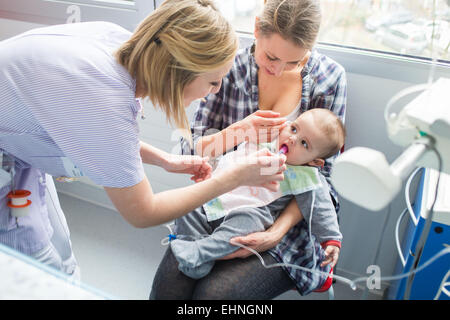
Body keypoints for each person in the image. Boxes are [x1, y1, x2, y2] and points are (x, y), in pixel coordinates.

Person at [0, 0, 286, 279]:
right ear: (178, 73)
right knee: (38, 268)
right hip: (7, 159)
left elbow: (96, 133)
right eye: (213, 81)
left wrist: (164, 160)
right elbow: (142, 212)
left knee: (61, 251)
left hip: (17, 148)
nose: (215, 91)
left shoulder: (124, 44)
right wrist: (234, 178)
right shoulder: (103, 100)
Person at [151, 0, 347, 299]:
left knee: (214, 296)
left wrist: (274, 233)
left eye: (294, 63)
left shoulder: (330, 79)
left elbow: (322, 183)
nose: (278, 69)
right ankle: (197, 248)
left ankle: (203, 250)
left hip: (282, 220)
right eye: (270, 56)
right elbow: (194, 150)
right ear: (256, 29)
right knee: (171, 284)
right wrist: (240, 131)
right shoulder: (229, 67)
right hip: (220, 198)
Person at [169, 109, 345, 280]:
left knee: (243, 229)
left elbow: (323, 208)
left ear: (314, 161)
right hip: (217, 198)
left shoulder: (306, 176)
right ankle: (191, 251)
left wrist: (331, 240)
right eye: (294, 129)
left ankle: (201, 251)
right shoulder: (263, 139)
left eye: (304, 143)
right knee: (189, 206)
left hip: (252, 210)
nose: (292, 139)